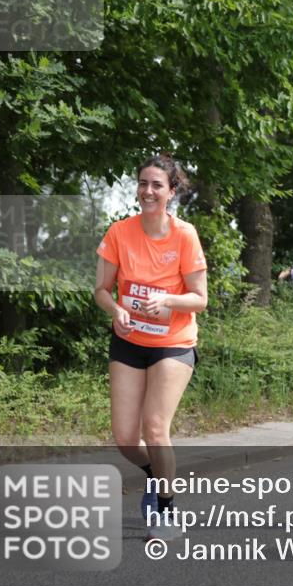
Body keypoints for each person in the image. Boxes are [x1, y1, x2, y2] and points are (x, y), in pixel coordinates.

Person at [94, 154, 208, 540]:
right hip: (129, 341)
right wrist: (115, 310)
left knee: (155, 428)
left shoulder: (184, 235)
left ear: (171, 192)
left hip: (173, 343)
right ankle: (156, 474)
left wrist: (169, 302)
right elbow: (101, 291)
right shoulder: (119, 233)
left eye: (157, 185)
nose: (148, 191)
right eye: (143, 183)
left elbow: (200, 299)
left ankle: (166, 508)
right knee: (126, 439)